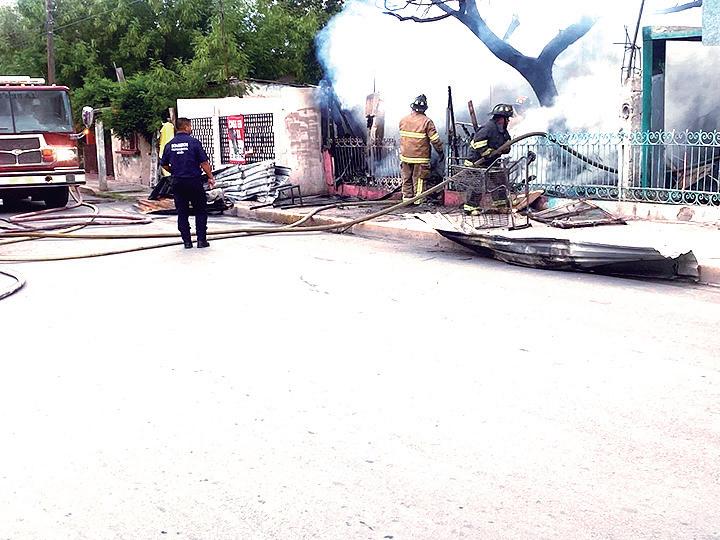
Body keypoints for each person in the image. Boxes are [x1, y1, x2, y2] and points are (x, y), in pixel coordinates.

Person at [160, 117, 216, 249]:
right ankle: (201, 240)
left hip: (178, 182)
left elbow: (164, 164)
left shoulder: (170, 145)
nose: (191, 128)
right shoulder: (194, 143)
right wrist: (210, 177)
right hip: (194, 181)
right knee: (200, 210)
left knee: (182, 212)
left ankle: (187, 242)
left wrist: (174, 171)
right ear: (186, 127)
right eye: (190, 126)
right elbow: (204, 163)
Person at [463, 104, 514, 214]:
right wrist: (488, 152)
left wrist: (505, 149)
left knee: (500, 181)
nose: (508, 121)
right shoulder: (488, 128)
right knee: (477, 185)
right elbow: (478, 143)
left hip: (490, 163)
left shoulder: (502, 130)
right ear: (502, 119)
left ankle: (501, 205)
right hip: (476, 163)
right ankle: (470, 208)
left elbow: (507, 143)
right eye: (507, 118)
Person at [398, 94, 444, 204]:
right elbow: (435, 140)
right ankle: (418, 201)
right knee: (419, 179)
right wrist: (440, 151)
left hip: (405, 156)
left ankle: (407, 199)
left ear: (413, 107)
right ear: (424, 109)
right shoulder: (427, 121)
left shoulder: (403, 120)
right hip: (420, 157)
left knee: (406, 178)